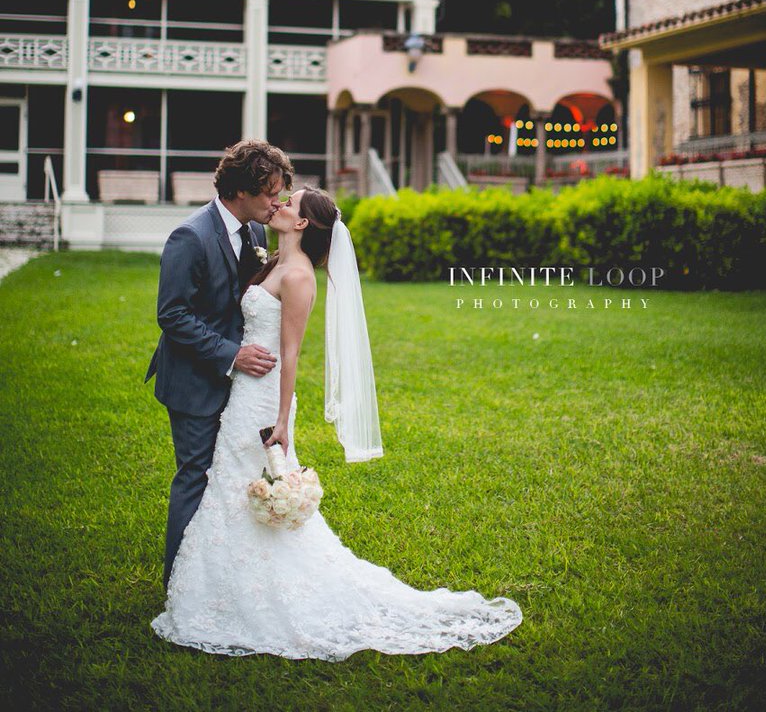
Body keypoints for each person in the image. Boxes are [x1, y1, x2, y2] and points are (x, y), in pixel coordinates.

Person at [152, 187, 522, 659]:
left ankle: (251, 590)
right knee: (226, 485)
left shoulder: (300, 276)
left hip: (263, 398)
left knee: (243, 482)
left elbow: (291, 354)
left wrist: (283, 418)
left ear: (302, 224)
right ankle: (211, 582)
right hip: (240, 387)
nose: (280, 202)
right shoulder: (269, 260)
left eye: (290, 201)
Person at [145, 138, 294, 589]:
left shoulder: (257, 232)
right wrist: (232, 355)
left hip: (240, 386)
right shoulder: (189, 236)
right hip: (192, 380)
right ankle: (178, 585)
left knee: (230, 479)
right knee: (196, 476)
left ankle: (219, 577)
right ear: (241, 191)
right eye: (270, 192)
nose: (277, 201)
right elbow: (171, 314)